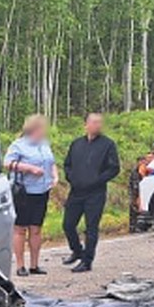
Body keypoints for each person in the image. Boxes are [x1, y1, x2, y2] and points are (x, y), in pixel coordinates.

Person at [61, 112, 120, 273]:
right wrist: (71, 177)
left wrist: (97, 180)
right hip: (76, 191)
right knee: (68, 224)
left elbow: (114, 168)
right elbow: (67, 165)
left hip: (95, 193)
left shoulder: (108, 144)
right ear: (86, 124)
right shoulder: (76, 144)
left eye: (100, 122)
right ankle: (77, 250)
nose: (97, 125)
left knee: (91, 227)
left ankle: (87, 261)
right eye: (94, 122)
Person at [5, 113, 58, 277]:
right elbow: (7, 163)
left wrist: (55, 176)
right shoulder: (18, 145)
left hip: (42, 191)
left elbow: (51, 162)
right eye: (42, 128)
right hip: (24, 192)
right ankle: (20, 265)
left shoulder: (44, 144)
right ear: (34, 129)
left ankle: (35, 265)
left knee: (36, 228)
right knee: (20, 229)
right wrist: (28, 168)